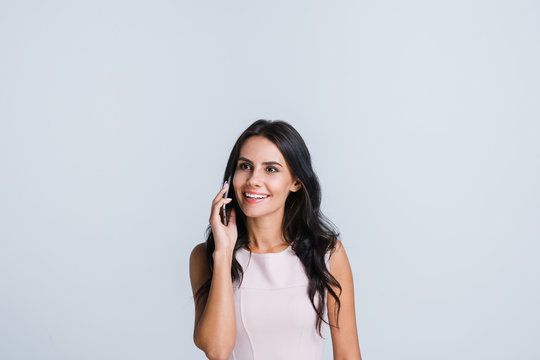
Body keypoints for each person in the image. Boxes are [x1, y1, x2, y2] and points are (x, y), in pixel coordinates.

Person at [189, 119, 362, 360]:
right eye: (245, 166)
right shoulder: (206, 256)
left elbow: (348, 356)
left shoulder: (327, 254)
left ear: (296, 182)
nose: (253, 180)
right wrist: (223, 253)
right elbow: (217, 350)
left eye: (271, 169)